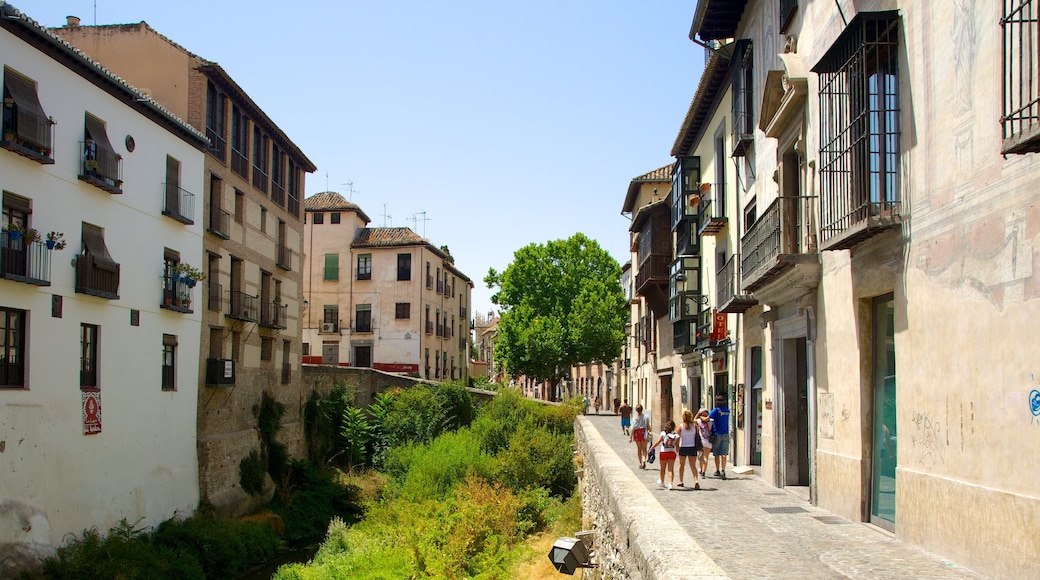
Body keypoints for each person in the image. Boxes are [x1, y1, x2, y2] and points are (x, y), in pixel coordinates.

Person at [648, 420, 679, 490]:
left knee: (662, 468)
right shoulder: (676, 435)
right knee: (670, 469)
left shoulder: (663, 433)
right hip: (672, 453)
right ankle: (670, 483)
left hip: (663, 452)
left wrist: (651, 448)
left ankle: (662, 481)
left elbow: (657, 442)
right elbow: (677, 446)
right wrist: (677, 452)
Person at [675, 409, 702, 490]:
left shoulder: (680, 426)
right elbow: (697, 436)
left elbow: (677, 438)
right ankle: (696, 480)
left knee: (681, 465)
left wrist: (677, 447)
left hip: (683, 447)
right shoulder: (695, 426)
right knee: (693, 466)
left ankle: (680, 481)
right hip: (692, 447)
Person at [709, 395, 731, 479]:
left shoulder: (716, 411)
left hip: (717, 433)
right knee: (724, 454)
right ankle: (723, 470)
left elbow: (708, 418)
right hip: (725, 433)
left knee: (717, 453)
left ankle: (717, 470)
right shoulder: (727, 411)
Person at [629, 404, 649, 469]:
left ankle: (640, 463)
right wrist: (650, 432)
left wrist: (630, 437)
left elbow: (633, 428)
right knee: (644, 449)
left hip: (637, 433)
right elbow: (648, 426)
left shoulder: (634, 418)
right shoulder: (646, 417)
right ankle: (644, 460)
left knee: (639, 449)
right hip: (643, 433)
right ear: (642, 409)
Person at [695, 408, 713, 478]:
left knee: (701, 456)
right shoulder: (711, 421)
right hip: (708, 441)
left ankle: (701, 469)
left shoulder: (699, 421)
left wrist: (698, 414)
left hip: (701, 441)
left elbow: (693, 420)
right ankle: (703, 472)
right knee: (706, 457)